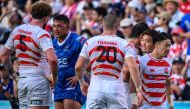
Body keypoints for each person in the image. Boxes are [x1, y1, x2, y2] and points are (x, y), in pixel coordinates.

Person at [75, 14, 143, 109]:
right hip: (116, 89)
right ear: (116, 26)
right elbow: (133, 68)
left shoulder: (90, 42)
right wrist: (139, 90)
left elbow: (78, 67)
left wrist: (82, 83)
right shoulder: (125, 44)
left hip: (96, 89)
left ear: (102, 25)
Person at [0, 2, 58, 109]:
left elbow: (3, 56)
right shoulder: (42, 34)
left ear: (32, 15)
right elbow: (53, 59)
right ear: (46, 18)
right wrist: (54, 78)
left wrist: (14, 76)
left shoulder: (17, 30)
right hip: (39, 81)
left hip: (22, 80)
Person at [52, 15, 86, 109]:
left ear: (67, 27)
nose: (56, 29)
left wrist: (81, 75)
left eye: (59, 26)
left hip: (72, 84)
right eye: (54, 26)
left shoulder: (78, 40)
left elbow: (94, 55)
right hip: (59, 85)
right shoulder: (53, 42)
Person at [139, 32, 174, 109]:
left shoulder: (169, 63)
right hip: (145, 105)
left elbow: (168, 85)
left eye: (169, 46)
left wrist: (171, 104)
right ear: (157, 45)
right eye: (166, 45)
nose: (168, 49)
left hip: (162, 105)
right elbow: (134, 83)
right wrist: (134, 101)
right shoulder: (142, 61)